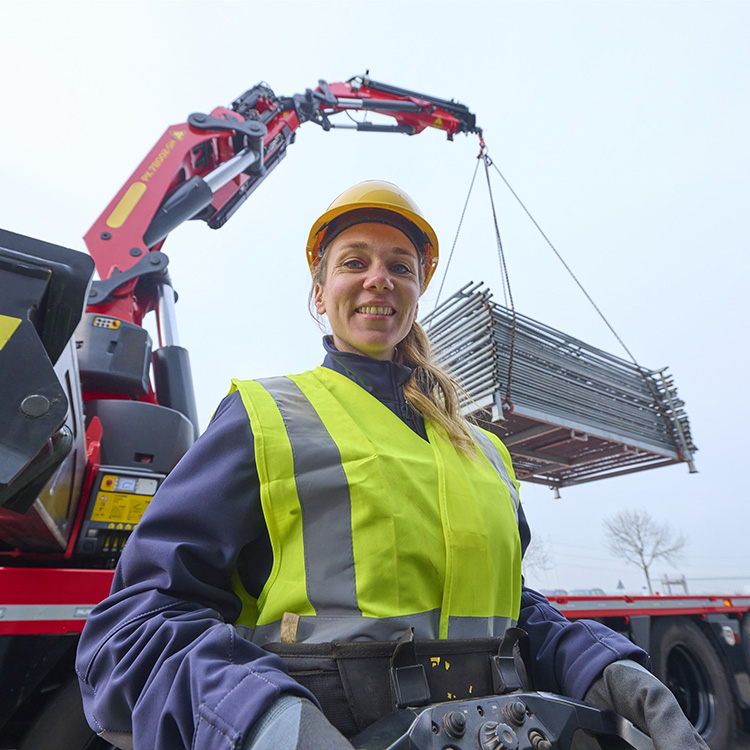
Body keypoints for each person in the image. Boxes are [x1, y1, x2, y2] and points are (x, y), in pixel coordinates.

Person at [76, 181, 707, 750]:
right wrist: (266, 721)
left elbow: (508, 607)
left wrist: (601, 663)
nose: (379, 278)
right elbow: (135, 627)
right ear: (320, 293)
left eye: (399, 266)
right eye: (355, 262)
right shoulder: (266, 417)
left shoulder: (483, 452)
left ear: (416, 290)